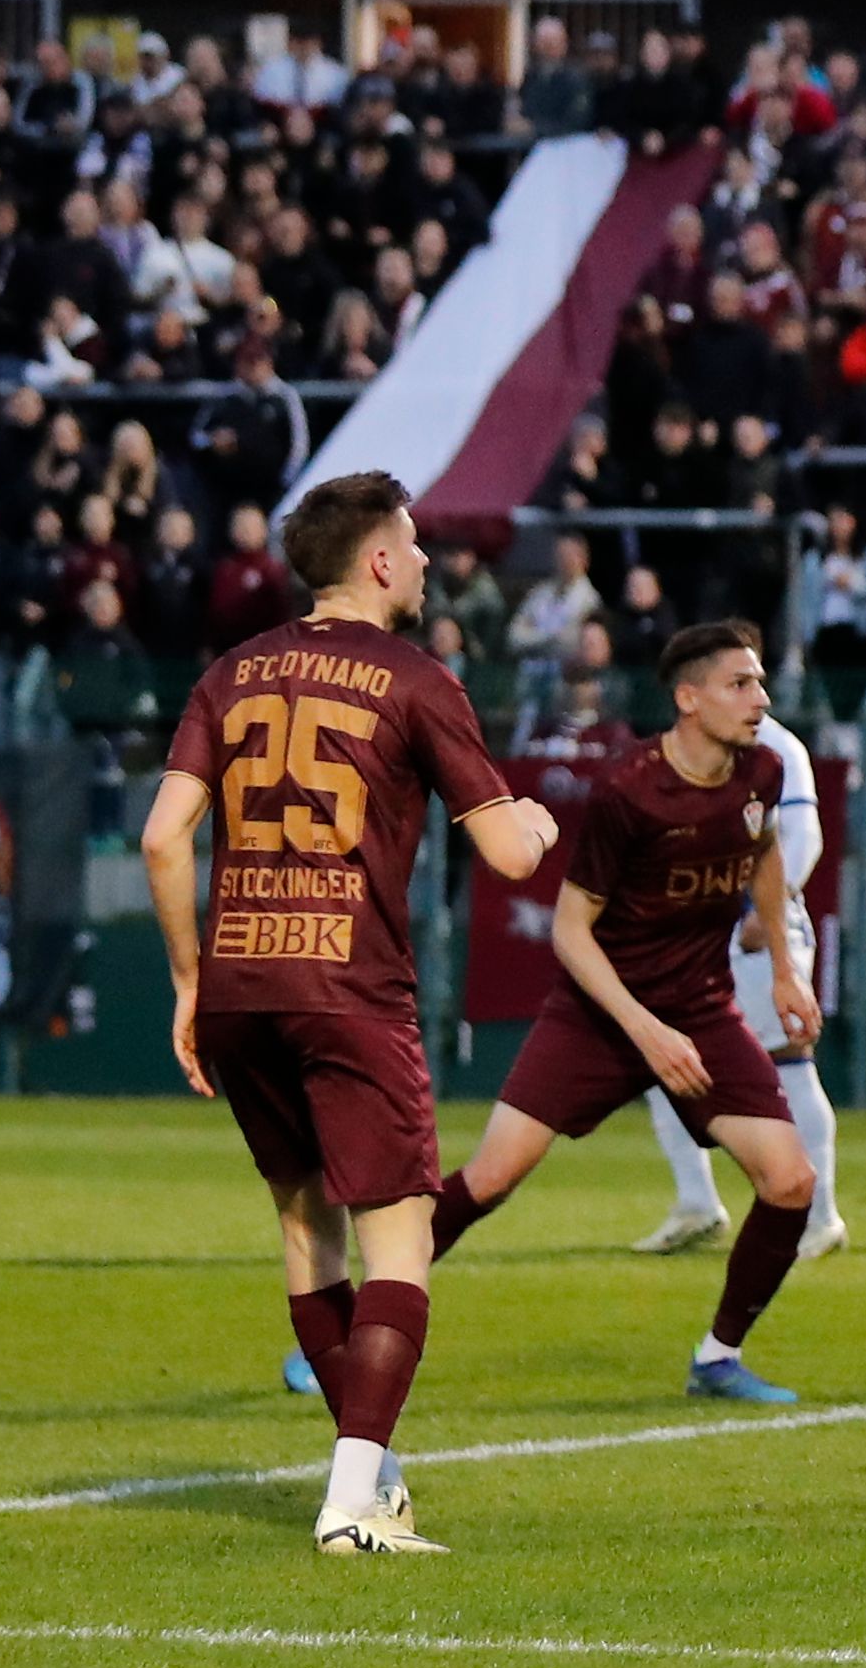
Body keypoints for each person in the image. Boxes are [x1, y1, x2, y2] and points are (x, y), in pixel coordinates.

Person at [143, 470, 559, 1550]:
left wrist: (191, 978)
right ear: (377, 560)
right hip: (349, 987)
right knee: (400, 1242)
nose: (425, 561)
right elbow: (509, 850)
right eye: (414, 544)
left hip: (239, 982)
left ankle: (368, 1476)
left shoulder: (229, 673)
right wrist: (542, 823)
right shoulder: (416, 678)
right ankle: (348, 1503)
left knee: (302, 1226)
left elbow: (160, 837)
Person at [425, 622, 828, 1403]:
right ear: (688, 697)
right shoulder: (629, 790)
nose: (761, 699)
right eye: (741, 684)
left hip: (701, 1008)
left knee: (789, 1181)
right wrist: (644, 1030)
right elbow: (571, 932)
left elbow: (767, 855)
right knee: (493, 1176)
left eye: (760, 681)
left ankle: (717, 1358)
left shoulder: (763, 771)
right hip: (598, 1014)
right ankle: (345, 1326)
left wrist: (782, 966)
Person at [633, 709, 848, 1265]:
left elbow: (803, 837)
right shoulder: (684, 747)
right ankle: (697, 1201)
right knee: (662, 1057)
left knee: (787, 1060)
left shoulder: (778, 747)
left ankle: (820, 1216)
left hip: (754, 930)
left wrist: (767, 916)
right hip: (695, 927)